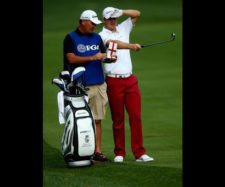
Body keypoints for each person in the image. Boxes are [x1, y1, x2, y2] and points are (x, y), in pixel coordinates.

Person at [99, 7, 154, 162]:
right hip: (113, 81)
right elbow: (112, 44)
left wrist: (120, 11)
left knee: (136, 116)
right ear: (104, 20)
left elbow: (137, 13)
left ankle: (139, 152)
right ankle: (120, 153)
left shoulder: (123, 27)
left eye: (114, 18)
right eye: (109, 19)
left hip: (130, 80)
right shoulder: (101, 36)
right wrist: (131, 46)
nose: (112, 21)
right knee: (118, 118)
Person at [63, 9, 113, 162]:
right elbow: (71, 59)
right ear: (83, 21)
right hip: (79, 86)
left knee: (97, 119)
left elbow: (103, 56)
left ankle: (97, 151)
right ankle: (76, 151)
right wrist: (93, 57)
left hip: (98, 83)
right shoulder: (70, 38)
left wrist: (109, 58)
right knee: (79, 120)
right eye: (92, 23)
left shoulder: (97, 37)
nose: (94, 26)